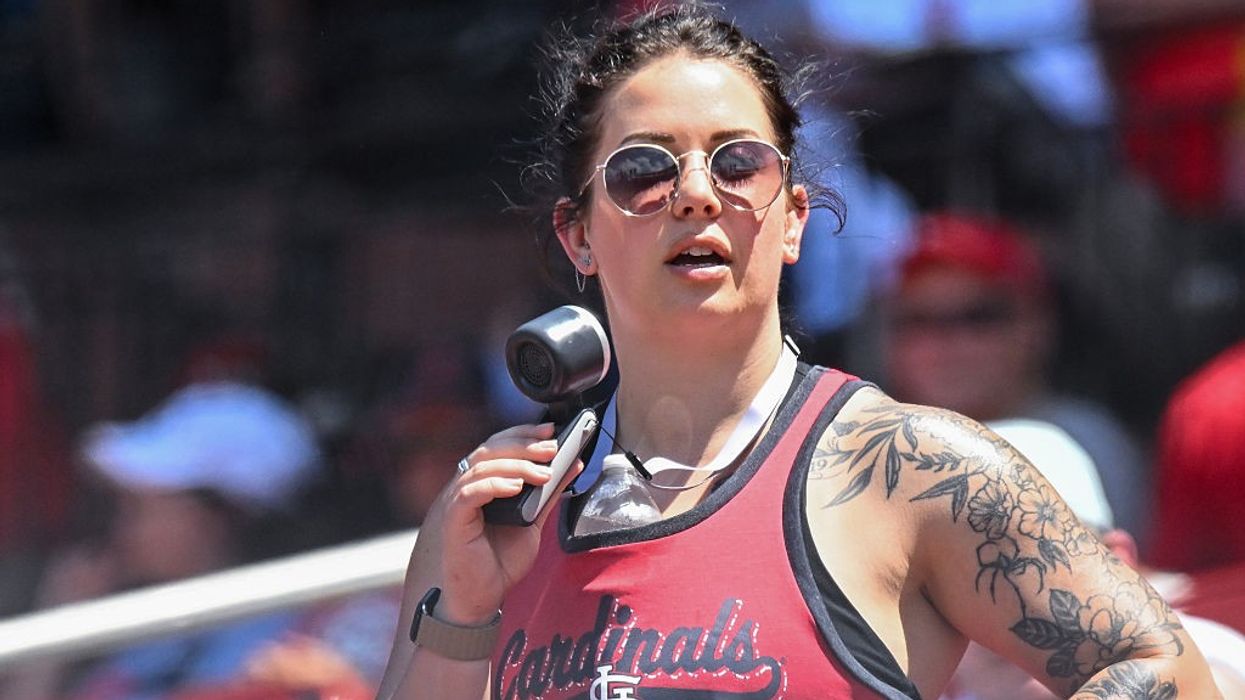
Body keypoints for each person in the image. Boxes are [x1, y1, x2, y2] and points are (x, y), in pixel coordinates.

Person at [377, 5, 1218, 699]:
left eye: (739, 162)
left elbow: (1162, 675)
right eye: (642, 170)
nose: (697, 193)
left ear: (793, 219)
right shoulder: (489, 517)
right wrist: (462, 621)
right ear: (577, 235)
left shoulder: (914, 470)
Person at [3, 380, 322, 700]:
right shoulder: (157, 636)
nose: (122, 527)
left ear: (214, 519)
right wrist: (61, 624)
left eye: (138, 507)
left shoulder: (289, 654)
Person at [882, 211, 1150, 541]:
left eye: (978, 316)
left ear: (1038, 325)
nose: (948, 341)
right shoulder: (866, 452)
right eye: (921, 320)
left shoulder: (1086, 440)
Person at [941, 419, 1245, 699]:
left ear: (1117, 562)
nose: (1007, 586)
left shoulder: (1200, 653)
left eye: (1041, 553)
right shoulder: (921, 673)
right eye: (962, 562)